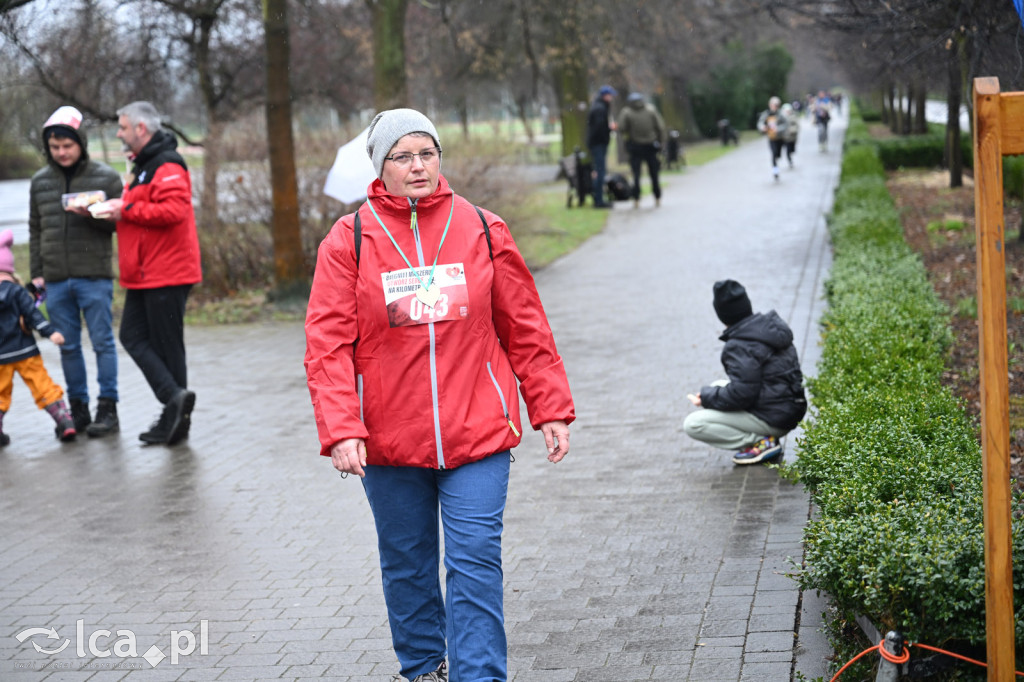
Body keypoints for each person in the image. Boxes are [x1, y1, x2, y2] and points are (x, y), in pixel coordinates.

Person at [304, 108, 575, 682]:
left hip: (478, 430)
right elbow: (326, 343)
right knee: (408, 564)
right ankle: (426, 666)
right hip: (389, 436)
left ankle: (479, 675)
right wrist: (342, 427)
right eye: (402, 156)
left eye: (427, 153)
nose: (417, 166)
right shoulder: (349, 240)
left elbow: (524, 326)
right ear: (381, 167)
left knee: (475, 562)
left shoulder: (481, 226)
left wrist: (548, 406)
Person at [100, 101, 202, 446]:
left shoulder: (167, 163)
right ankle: (174, 402)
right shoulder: (144, 165)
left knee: (166, 345)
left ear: (141, 129)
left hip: (167, 270)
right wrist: (117, 212)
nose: (119, 133)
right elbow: (145, 213)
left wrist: (123, 207)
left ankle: (174, 412)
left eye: (123, 127)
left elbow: (174, 210)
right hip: (146, 272)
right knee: (133, 335)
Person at [28, 105, 124, 438]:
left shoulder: (106, 178)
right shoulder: (40, 182)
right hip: (55, 280)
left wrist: (94, 214)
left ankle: (108, 408)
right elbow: (36, 228)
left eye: (67, 146)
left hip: (93, 275)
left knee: (102, 343)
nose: (62, 152)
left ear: (80, 143)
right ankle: (78, 409)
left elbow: (119, 224)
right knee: (67, 346)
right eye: (55, 147)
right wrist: (37, 273)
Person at [683, 280, 807, 465]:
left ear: (722, 314)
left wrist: (707, 398)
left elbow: (742, 395)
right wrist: (712, 394)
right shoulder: (771, 328)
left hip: (775, 417)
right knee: (718, 386)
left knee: (693, 424)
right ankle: (764, 438)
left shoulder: (738, 345)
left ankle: (762, 442)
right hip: (791, 407)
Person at [0, 229, 76, 443]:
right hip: (25, 351)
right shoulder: (18, 292)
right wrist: (51, 333)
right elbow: (33, 316)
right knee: (42, 385)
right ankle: (65, 421)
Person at [617, 92, 665, 208]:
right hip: (651, 146)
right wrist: (660, 142)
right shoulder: (651, 110)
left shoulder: (626, 112)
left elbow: (622, 128)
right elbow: (660, 127)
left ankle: (637, 199)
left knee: (636, 174)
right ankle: (657, 197)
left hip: (635, 146)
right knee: (654, 173)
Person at [586, 84, 617, 209]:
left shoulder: (599, 106)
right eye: (610, 96)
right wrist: (608, 130)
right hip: (598, 144)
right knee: (600, 171)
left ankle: (599, 198)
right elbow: (598, 128)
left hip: (597, 143)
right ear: (605, 96)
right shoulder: (600, 108)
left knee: (599, 171)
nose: (612, 98)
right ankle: (598, 200)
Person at [756, 96, 790, 182]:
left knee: (778, 154)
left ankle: (777, 161)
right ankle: (775, 170)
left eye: (776, 105)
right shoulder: (766, 113)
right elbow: (760, 123)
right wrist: (762, 127)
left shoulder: (781, 114)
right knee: (774, 153)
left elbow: (786, 124)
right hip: (771, 138)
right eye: (773, 104)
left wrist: (777, 129)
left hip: (780, 137)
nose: (774, 106)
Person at [780, 103, 799, 169]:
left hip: (792, 137)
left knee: (792, 150)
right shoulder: (782, 117)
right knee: (787, 150)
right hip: (786, 137)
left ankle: (790, 157)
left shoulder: (793, 116)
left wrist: (791, 130)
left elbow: (797, 126)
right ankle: (790, 161)